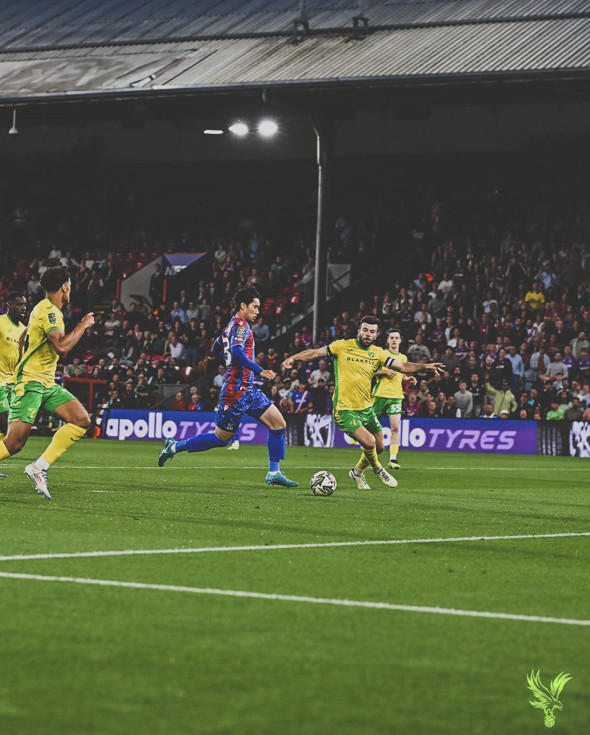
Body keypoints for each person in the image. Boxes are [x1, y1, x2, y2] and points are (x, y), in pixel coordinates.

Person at [282, 316, 444, 490]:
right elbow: (314, 353)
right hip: (344, 410)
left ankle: (358, 472)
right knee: (369, 443)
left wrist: (425, 367)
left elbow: (403, 367)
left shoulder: (378, 353)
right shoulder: (342, 346)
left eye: (372, 332)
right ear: (359, 330)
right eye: (365, 330)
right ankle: (378, 469)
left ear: (376, 335)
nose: (368, 334)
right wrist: (294, 357)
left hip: (366, 408)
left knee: (380, 446)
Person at [158, 287, 297, 487]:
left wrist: (228, 362)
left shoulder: (230, 326)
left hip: (249, 390)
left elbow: (216, 348)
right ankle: (174, 447)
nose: (258, 311)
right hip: (234, 393)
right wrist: (259, 370)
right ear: (243, 305)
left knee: (278, 424)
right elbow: (238, 352)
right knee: (221, 439)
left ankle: (274, 472)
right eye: (255, 307)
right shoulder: (241, 326)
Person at [0, 266, 95, 499]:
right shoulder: (49, 311)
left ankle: (39, 467)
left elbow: (24, 338)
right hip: (31, 383)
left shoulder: (40, 309)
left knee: (81, 420)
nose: (70, 288)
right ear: (64, 286)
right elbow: (61, 347)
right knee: (14, 444)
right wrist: (83, 324)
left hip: (46, 383)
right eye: (70, 284)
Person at [371, 329, 416, 470]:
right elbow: (370, 371)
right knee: (372, 426)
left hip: (396, 396)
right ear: (388, 340)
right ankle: (370, 456)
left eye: (397, 337)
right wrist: (384, 372)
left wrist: (407, 378)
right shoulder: (382, 355)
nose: (394, 340)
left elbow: (400, 375)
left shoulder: (403, 358)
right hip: (380, 395)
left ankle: (393, 459)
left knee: (395, 427)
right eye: (392, 337)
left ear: (400, 340)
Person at [0, 294, 28, 458]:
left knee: (5, 428)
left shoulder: (23, 330)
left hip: (12, 383)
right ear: (8, 305)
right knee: (6, 427)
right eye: (18, 305)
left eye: (24, 305)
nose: (23, 308)